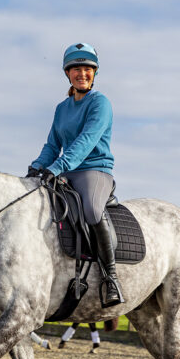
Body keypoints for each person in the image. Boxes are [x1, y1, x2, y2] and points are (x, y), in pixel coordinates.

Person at [27, 42, 124, 307]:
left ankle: (110, 277)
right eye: (76, 69)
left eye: (87, 69)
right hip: (66, 172)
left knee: (92, 211)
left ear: (94, 73)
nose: (82, 74)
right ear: (68, 74)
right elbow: (52, 145)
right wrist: (36, 168)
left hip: (94, 170)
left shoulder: (100, 103)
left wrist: (57, 167)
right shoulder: (62, 108)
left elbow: (87, 140)